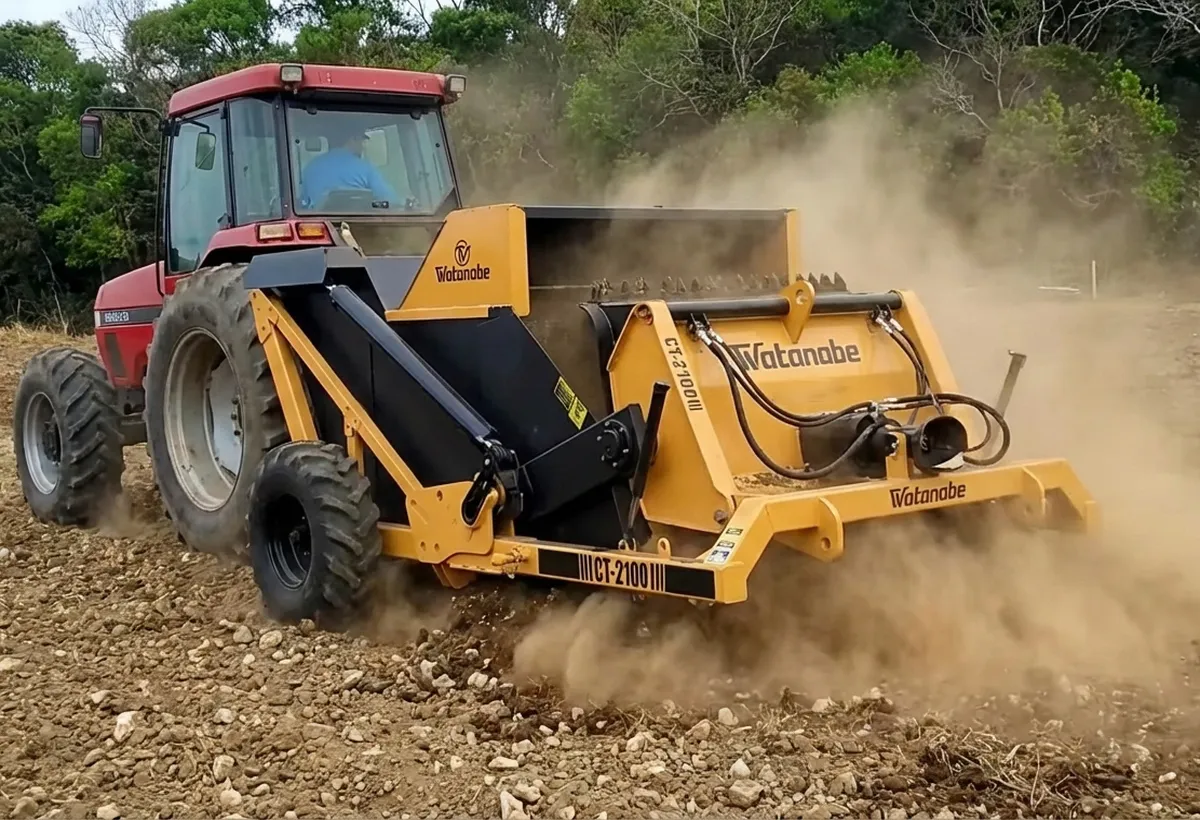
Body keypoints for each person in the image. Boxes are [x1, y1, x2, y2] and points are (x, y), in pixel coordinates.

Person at [299, 123, 398, 210]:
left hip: (318, 226)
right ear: (353, 138)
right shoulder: (365, 168)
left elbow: (303, 204)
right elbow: (389, 201)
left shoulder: (310, 167)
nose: (363, 146)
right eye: (361, 141)